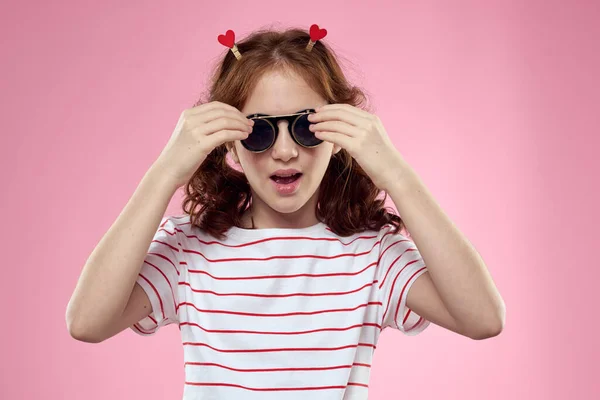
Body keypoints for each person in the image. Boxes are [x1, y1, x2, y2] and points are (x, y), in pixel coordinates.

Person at [66, 25, 505, 400]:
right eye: (258, 130)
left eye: (305, 126)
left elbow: (483, 319)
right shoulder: (189, 251)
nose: (284, 150)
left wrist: (399, 177)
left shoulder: (372, 255)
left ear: (340, 132)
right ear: (227, 138)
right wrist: (163, 174)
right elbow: (87, 323)